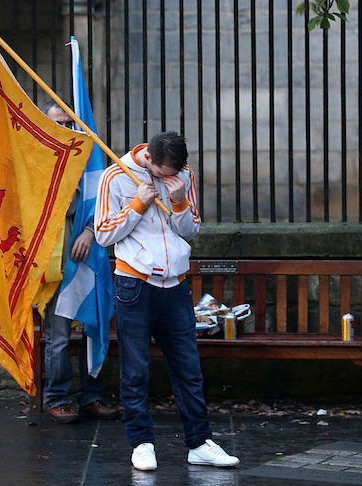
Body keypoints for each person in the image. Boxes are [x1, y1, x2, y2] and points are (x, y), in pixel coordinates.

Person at [94, 131, 239, 471]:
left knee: (188, 368)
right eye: (163, 172)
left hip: (176, 285)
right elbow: (103, 234)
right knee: (136, 370)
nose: (170, 177)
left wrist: (179, 201)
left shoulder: (183, 175)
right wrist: (137, 204)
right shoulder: (115, 175)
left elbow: (190, 230)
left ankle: (199, 442)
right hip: (135, 284)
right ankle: (141, 443)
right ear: (149, 158)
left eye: (176, 172)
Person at [41, 100, 118, 424]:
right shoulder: (38, 159)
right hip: (55, 260)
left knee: (93, 327)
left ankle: (90, 396)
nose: (63, 128)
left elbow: (104, 205)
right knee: (58, 337)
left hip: (88, 254)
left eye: (69, 123)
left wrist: (89, 231)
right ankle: (57, 398)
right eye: (57, 123)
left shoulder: (90, 160)